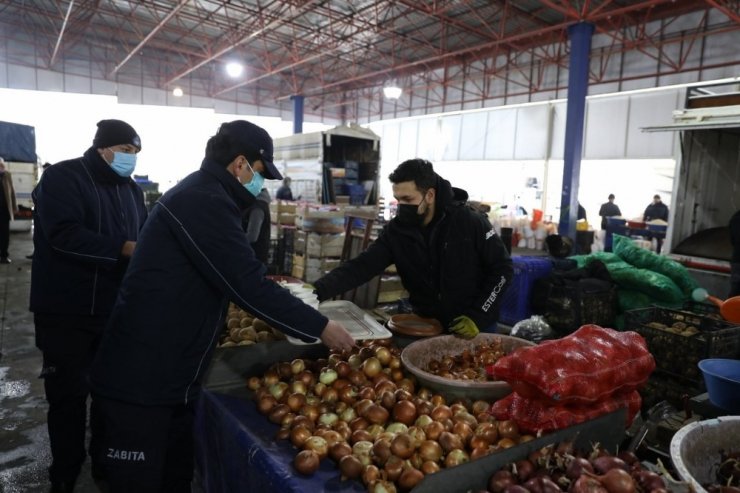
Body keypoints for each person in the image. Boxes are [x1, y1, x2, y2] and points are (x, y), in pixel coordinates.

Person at [89, 120, 355, 492]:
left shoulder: (209, 195)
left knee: (174, 476)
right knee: (137, 482)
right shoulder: (203, 200)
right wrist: (321, 327)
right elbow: (247, 284)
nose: (260, 184)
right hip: (142, 379)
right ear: (240, 164)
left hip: (170, 375)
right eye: (260, 173)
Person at [29, 119, 147, 492]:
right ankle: (64, 472)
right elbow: (62, 235)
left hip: (113, 313)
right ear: (103, 148)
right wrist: (123, 249)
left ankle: (103, 463)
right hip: (66, 312)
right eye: (126, 151)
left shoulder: (131, 191)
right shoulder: (64, 178)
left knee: (109, 396)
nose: (131, 160)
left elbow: (144, 239)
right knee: (67, 397)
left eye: (135, 154)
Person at [314, 158, 513, 337]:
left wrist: (477, 316)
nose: (401, 206)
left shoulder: (469, 223)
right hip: (427, 326)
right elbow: (361, 266)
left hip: (475, 328)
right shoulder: (397, 232)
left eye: (408, 200)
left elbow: (502, 270)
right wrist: (317, 291)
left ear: (430, 195)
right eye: (397, 199)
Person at [243, 187, 271, 264]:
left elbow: (252, 236)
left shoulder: (257, 208)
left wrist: (234, 241)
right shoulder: (254, 204)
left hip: (254, 257)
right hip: (252, 255)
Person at [0, 157, 18, 263]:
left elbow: (12, 192)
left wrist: (14, 207)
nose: (0, 167)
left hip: (4, 211)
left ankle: (4, 255)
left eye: (1, 165)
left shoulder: (7, 175)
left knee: (5, 234)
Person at [730, 209, 740, 297]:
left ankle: (729, 309)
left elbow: (733, 240)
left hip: (737, 259)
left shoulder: (735, 217)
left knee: (736, 287)